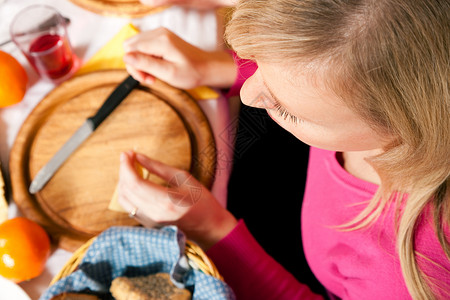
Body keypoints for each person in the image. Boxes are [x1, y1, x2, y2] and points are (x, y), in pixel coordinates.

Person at [118, 0, 450, 299]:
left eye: (288, 111)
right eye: (255, 63)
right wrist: (214, 68)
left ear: (403, 124)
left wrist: (214, 230)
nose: (246, 96)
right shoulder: (370, 92)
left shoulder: (402, 279)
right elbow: (324, 72)